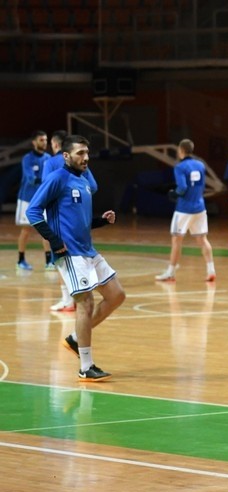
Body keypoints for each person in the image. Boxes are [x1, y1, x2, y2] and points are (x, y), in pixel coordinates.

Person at [26, 135, 126, 382]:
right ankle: (86, 366)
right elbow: (33, 211)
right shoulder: (57, 178)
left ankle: (74, 338)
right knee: (86, 303)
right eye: (80, 153)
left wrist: (100, 221)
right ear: (66, 156)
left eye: (87, 153)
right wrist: (54, 241)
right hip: (69, 253)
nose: (86, 157)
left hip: (88, 249)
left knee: (117, 295)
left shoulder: (83, 181)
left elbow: (79, 221)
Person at [45, 130, 99, 312]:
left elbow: (46, 185)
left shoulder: (51, 163)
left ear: (55, 144)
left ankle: (66, 298)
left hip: (58, 216)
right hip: (78, 222)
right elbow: (93, 187)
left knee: (61, 254)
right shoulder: (81, 167)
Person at [155, 139, 216, 282]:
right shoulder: (200, 165)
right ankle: (211, 270)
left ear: (181, 150)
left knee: (177, 240)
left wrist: (174, 194)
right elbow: (201, 186)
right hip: (200, 207)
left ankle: (170, 273)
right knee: (203, 240)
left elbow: (182, 188)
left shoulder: (180, 167)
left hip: (184, 209)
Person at [16, 130, 51, 271]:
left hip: (43, 199)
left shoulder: (48, 158)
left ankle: (49, 261)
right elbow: (30, 178)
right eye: (41, 140)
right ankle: (20, 260)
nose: (44, 142)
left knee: (46, 230)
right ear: (34, 142)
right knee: (26, 230)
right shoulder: (27, 159)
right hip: (27, 199)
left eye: (46, 140)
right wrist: (48, 181)